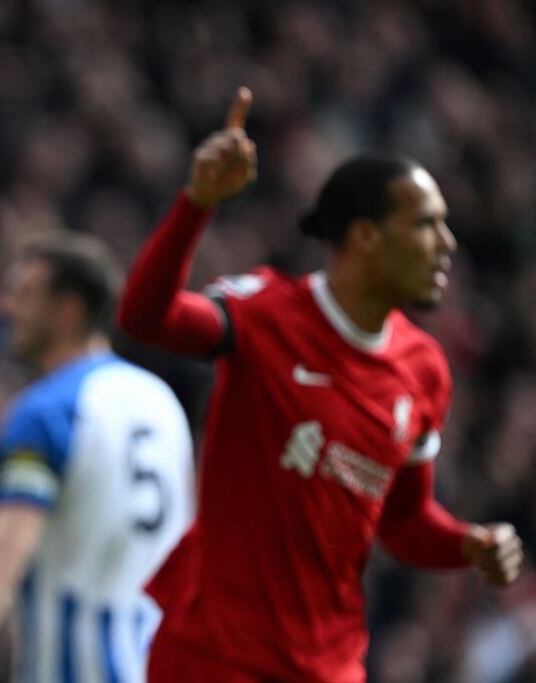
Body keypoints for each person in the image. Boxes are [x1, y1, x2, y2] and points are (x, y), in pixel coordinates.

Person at [117, 87, 524, 682]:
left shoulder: (424, 369)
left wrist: (468, 544)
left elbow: (405, 521)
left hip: (327, 666)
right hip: (214, 655)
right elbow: (145, 318)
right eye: (426, 225)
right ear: (365, 237)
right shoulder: (266, 314)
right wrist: (197, 202)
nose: (447, 244)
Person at [0, 232, 195, 683]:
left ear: (68, 309)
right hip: (160, 662)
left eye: (24, 295)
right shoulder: (161, 401)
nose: (5, 308)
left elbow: (7, 545)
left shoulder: (48, 410)